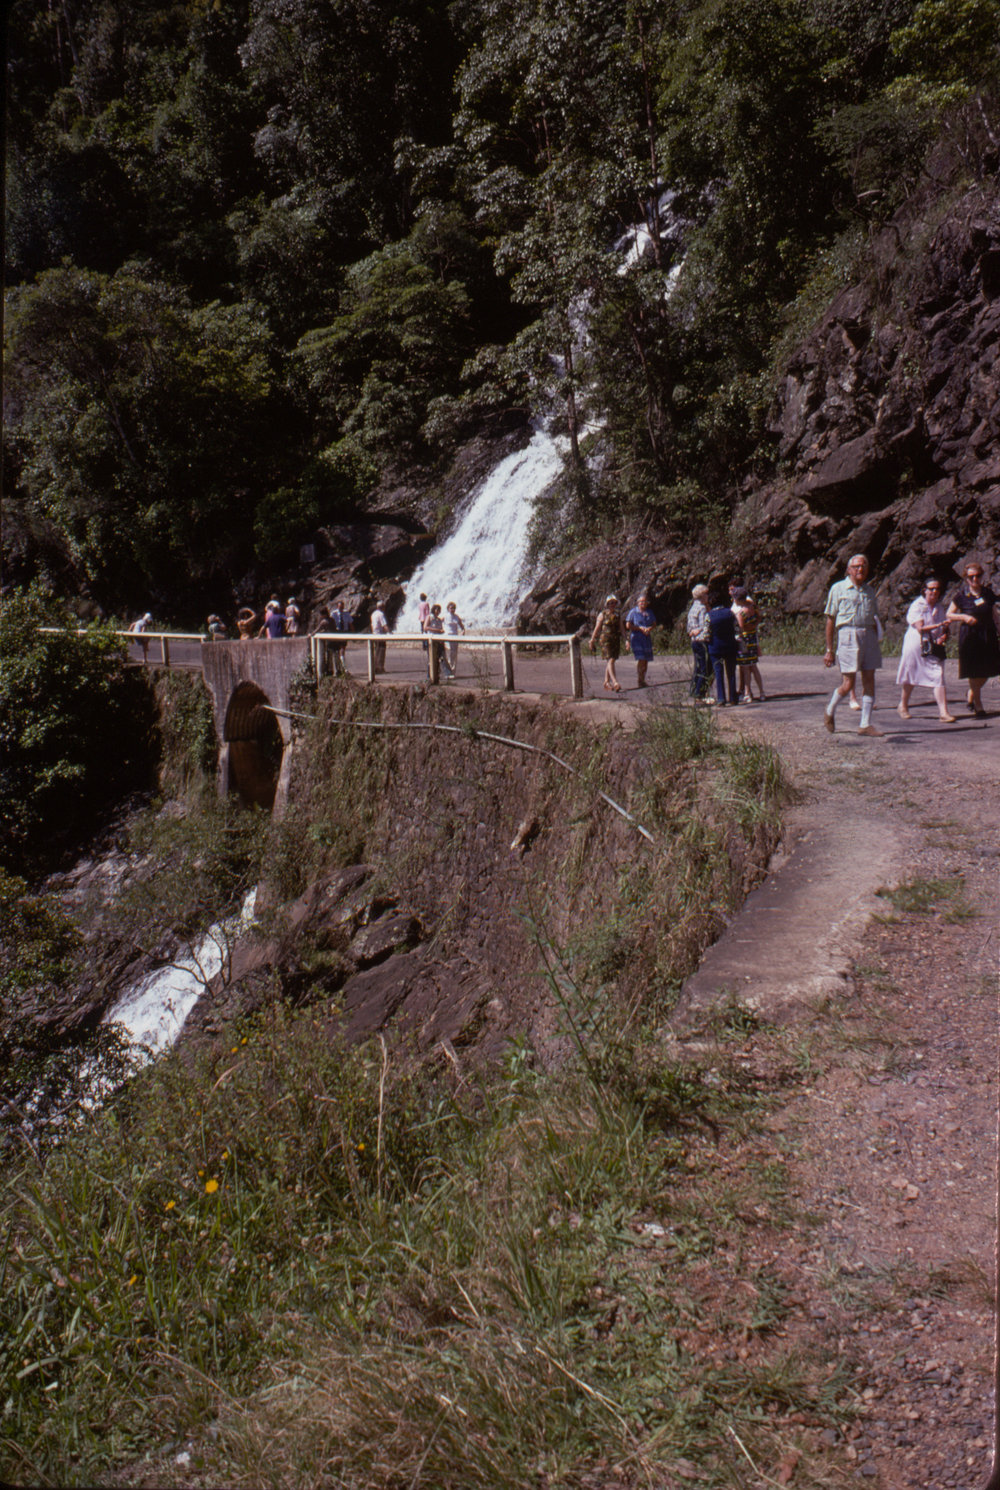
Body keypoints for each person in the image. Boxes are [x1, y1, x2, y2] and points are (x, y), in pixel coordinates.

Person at [823, 554, 883, 736]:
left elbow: (874, 618)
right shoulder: (838, 588)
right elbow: (830, 620)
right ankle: (829, 711)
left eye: (863, 566)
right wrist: (829, 650)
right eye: (856, 566)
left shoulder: (870, 591)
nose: (860, 569)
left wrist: (877, 637)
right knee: (848, 683)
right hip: (847, 635)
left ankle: (865, 724)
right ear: (849, 569)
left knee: (869, 679)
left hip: (869, 635)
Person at [895, 578, 955, 722]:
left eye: (937, 589)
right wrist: (940, 625)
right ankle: (903, 705)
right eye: (931, 589)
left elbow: (944, 629)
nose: (935, 591)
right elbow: (920, 628)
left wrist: (943, 635)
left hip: (933, 645)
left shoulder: (939, 608)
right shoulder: (917, 605)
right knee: (911, 673)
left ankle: (944, 713)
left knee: (938, 674)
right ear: (925, 590)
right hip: (915, 643)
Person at [945, 560, 1000, 717]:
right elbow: (949, 614)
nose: (974, 580)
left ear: (982, 576)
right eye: (971, 577)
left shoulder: (988, 593)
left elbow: (994, 614)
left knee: (989, 670)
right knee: (974, 672)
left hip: (987, 635)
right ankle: (978, 704)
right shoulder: (961, 596)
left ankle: (971, 693)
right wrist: (963, 617)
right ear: (966, 579)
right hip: (970, 636)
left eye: (977, 576)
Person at [731, 586, 765, 702]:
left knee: (745, 669)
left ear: (738, 599)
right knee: (754, 667)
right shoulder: (753, 607)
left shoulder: (740, 613)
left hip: (744, 640)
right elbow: (759, 618)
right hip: (753, 639)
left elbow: (740, 628)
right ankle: (762, 692)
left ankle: (748, 693)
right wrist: (753, 626)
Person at [706, 589, 740, 705]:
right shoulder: (730, 613)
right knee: (731, 672)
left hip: (715, 647)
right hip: (730, 645)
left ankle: (721, 698)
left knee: (718, 672)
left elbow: (706, 633)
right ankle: (733, 697)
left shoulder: (709, 616)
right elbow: (737, 629)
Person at [590, 594, 626, 692]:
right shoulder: (602, 614)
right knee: (610, 660)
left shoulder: (618, 614)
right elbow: (597, 628)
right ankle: (615, 682)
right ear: (607, 604)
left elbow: (622, 628)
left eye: (614, 602)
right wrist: (592, 640)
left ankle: (606, 682)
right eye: (610, 603)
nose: (612, 604)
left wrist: (626, 640)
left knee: (612, 660)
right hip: (605, 640)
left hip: (615, 640)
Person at [625, 592, 656, 688]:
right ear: (637, 603)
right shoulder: (633, 612)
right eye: (641, 602)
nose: (643, 603)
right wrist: (640, 628)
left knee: (646, 660)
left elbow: (654, 623)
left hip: (646, 638)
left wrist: (649, 629)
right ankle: (640, 679)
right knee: (641, 658)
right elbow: (628, 625)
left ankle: (643, 679)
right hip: (637, 638)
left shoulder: (649, 612)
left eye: (644, 601)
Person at [686, 584, 710, 700]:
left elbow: (689, 628)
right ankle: (699, 694)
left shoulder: (692, 608)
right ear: (701, 595)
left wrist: (692, 632)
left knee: (698, 666)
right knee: (704, 668)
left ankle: (694, 689)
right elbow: (704, 626)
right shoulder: (702, 608)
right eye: (706, 594)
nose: (707, 596)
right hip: (701, 641)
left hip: (694, 641)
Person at [425, 602, 453, 679]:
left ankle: (447, 673)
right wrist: (437, 630)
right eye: (437, 610)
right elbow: (426, 627)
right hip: (431, 640)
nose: (438, 611)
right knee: (431, 658)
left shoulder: (439, 619)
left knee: (442, 657)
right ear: (433, 610)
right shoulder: (429, 617)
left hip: (439, 640)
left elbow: (441, 629)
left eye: (439, 610)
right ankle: (430, 675)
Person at [328, 598, 352, 676]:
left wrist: (353, 633)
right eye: (339, 607)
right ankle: (339, 669)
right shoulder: (333, 614)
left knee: (342, 650)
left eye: (342, 607)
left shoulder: (346, 614)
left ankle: (343, 668)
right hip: (337, 632)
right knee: (337, 651)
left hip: (344, 632)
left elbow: (350, 623)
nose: (341, 608)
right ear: (337, 607)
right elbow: (331, 623)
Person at [444, 601, 465, 673]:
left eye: (453, 608)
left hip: (455, 636)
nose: (452, 609)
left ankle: (453, 670)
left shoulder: (456, 617)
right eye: (451, 608)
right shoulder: (445, 616)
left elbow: (462, 626)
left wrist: (463, 632)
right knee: (449, 652)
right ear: (448, 609)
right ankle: (448, 670)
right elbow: (439, 622)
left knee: (454, 653)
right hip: (447, 636)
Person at [370, 597, 389, 673]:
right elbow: (384, 625)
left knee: (376, 651)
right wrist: (389, 633)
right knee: (381, 651)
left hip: (374, 634)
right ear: (382, 607)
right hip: (380, 635)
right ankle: (380, 668)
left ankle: (375, 667)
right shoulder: (381, 614)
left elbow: (372, 625)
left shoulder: (373, 614)